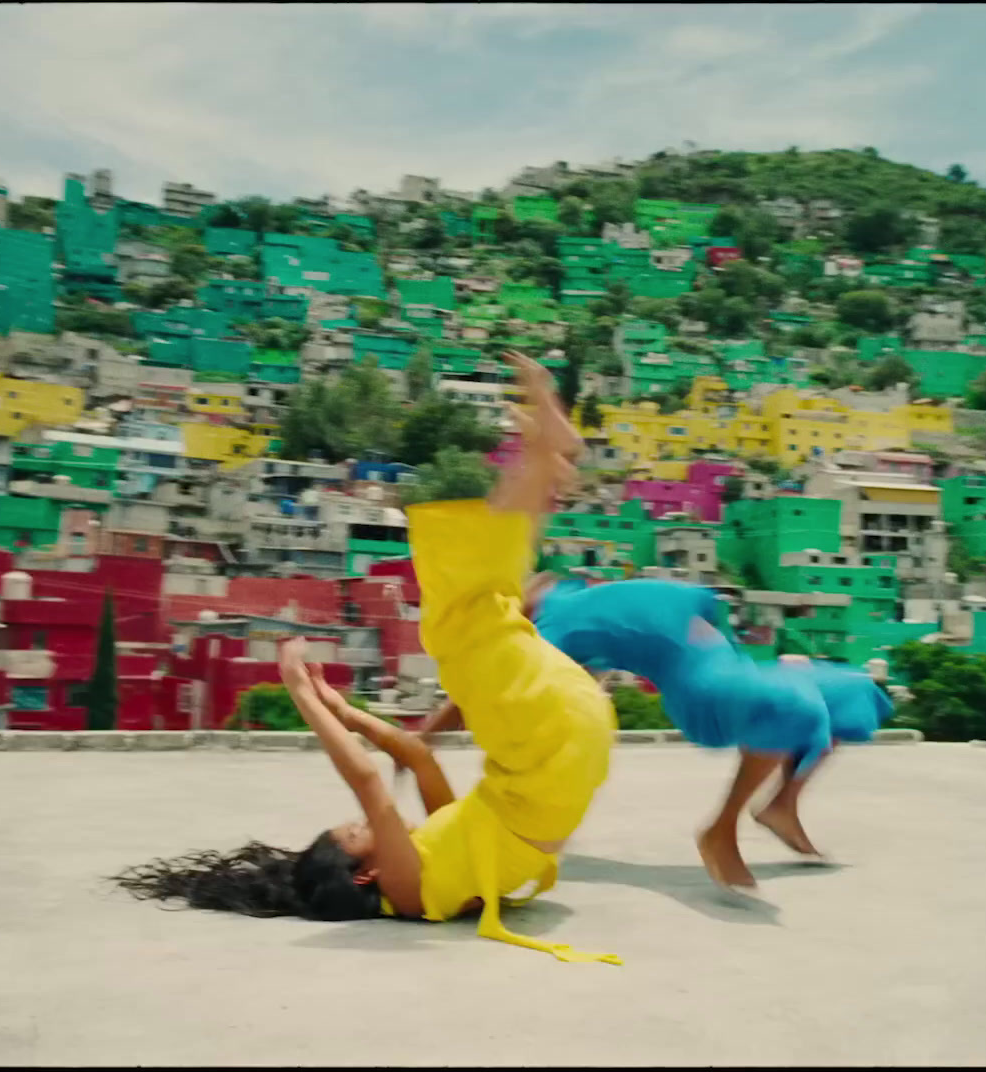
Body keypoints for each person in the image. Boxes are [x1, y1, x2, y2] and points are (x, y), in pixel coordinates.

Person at [112, 351, 622, 965]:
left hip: (567, 744)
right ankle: (544, 463)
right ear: (362, 876)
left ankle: (545, 462)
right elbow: (372, 785)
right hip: (553, 754)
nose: (373, 825)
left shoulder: (447, 848)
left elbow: (413, 754)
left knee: (475, 604)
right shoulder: (409, 893)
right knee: (465, 615)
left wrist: (344, 708)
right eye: (357, 835)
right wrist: (303, 697)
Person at [415, 575, 893, 891]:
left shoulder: (568, 591)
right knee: (791, 705)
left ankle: (780, 804)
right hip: (699, 681)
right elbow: (475, 687)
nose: (527, 583)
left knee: (854, 693)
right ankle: (721, 828)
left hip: (731, 659)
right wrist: (422, 740)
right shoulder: (545, 632)